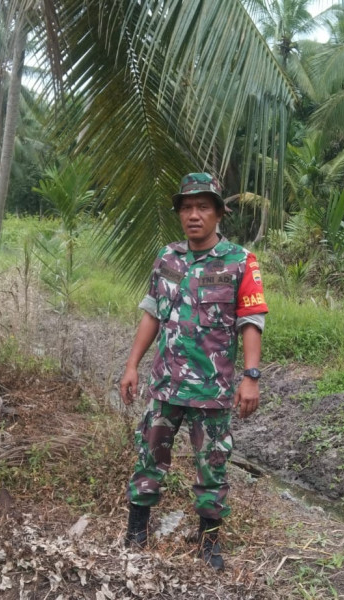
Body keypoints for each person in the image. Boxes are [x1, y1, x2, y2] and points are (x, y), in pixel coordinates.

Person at [119, 172, 268, 571]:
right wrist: (132, 365)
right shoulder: (168, 258)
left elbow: (251, 321)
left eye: (203, 207)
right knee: (149, 456)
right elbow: (152, 313)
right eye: (187, 208)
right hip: (165, 385)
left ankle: (209, 542)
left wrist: (251, 377)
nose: (194, 215)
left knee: (212, 464)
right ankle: (137, 530)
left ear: (219, 213)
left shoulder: (241, 261)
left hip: (212, 390)